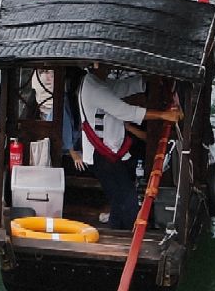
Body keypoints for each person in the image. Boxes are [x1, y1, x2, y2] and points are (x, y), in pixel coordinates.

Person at [68, 65, 181, 230]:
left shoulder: (94, 82)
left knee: (118, 201)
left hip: (110, 152)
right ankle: (128, 239)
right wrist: (163, 115)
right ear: (97, 64)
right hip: (103, 155)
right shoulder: (94, 87)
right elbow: (124, 111)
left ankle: (117, 231)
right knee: (128, 202)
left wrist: (146, 80)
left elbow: (120, 87)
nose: (111, 68)